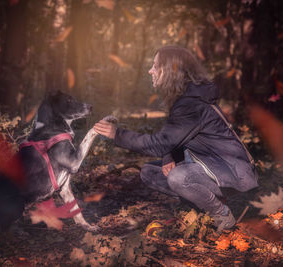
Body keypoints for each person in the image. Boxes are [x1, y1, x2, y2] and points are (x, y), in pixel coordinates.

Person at [94, 45, 258, 232]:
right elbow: (174, 139)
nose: (150, 71)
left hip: (232, 174)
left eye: (156, 66)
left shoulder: (191, 105)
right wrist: (168, 156)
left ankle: (221, 214)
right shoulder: (186, 99)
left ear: (172, 71)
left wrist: (117, 134)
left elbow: (158, 144)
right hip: (212, 166)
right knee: (148, 172)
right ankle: (196, 205)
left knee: (178, 177)